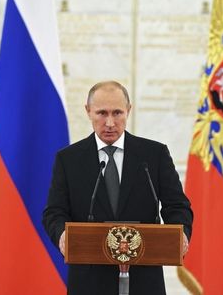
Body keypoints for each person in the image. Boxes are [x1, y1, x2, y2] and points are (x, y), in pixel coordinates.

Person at [42, 81, 193, 295]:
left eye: (117, 113)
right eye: (102, 113)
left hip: (144, 279)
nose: (110, 122)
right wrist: (62, 235)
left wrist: (182, 233)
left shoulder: (154, 155)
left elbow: (177, 206)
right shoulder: (69, 159)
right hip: (89, 281)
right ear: (88, 112)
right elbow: (54, 212)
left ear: (128, 111)